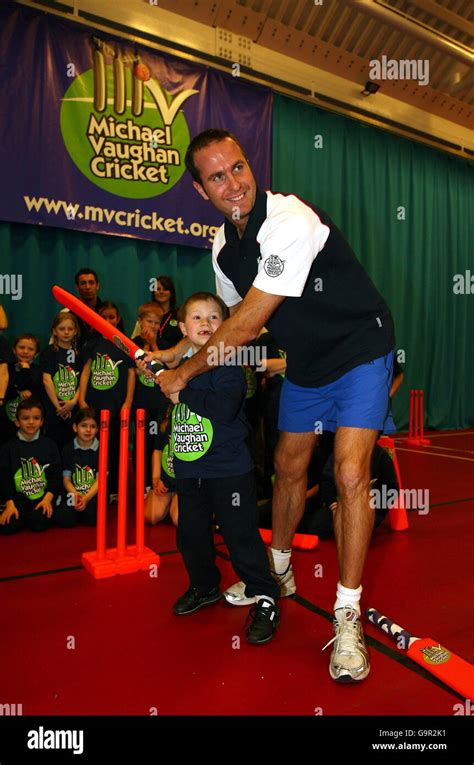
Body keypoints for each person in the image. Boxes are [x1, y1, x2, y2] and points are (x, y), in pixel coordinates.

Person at [147, 129, 395, 681]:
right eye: (217, 177)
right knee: (286, 466)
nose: (233, 183)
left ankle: (347, 613)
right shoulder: (220, 247)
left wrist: (185, 374)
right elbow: (223, 323)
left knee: (351, 473)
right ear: (199, 189)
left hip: (360, 349)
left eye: (237, 168)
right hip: (306, 364)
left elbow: (249, 322)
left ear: (248, 164)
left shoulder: (288, 219)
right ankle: (278, 571)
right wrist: (169, 353)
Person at [163, 291, 280, 644]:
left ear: (225, 327)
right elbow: (178, 418)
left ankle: (265, 596)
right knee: (191, 536)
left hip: (229, 471)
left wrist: (181, 391)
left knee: (240, 536)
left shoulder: (227, 364)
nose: (206, 324)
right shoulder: (179, 366)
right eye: (197, 318)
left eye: (214, 318)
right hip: (190, 471)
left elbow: (225, 407)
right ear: (184, 327)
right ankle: (204, 585)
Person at [78, 302, 135, 499]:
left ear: (118, 319)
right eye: (104, 317)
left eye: (112, 317)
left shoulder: (124, 343)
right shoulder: (91, 344)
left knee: (116, 449)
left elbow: (130, 374)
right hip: (94, 406)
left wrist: (127, 402)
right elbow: (85, 373)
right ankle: (98, 489)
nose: (108, 321)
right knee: (98, 449)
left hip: (117, 407)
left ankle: (117, 489)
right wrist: (82, 400)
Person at [0, 398, 61, 534]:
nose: (31, 422)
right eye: (26, 418)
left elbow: (56, 475)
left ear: (41, 421)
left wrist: (47, 499)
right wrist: (9, 503)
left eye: (36, 418)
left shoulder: (50, 445)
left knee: (39, 523)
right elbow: (4, 478)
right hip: (17, 498)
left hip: (41, 496)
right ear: (17, 422)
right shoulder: (8, 448)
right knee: (8, 526)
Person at [40, 312, 82, 451]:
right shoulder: (48, 352)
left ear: (75, 331)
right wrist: (58, 407)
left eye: (70, 329)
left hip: (73, 408)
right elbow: (47, 380)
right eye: (62, 329)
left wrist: (73, 401)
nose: (66, 332)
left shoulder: (79, 353)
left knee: (72, 446)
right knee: (53, 445)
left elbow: (83, 379)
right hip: (54, 409)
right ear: (54, 331)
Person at [55, 407, 100, 527]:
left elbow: (100, 480)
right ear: (75, 427)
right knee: (64, 519)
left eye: (93, 426)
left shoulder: (102, 449)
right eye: (84, 425)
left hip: (92, 493)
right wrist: (75, 494)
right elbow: (66, 479)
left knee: (94, 518)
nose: (88, 430)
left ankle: (85, 509)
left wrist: (86, 498)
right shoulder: (68, 449)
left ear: (97, 429)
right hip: (73, 491)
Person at [144, 405, 178, 527]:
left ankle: (177, 501)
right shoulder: (165, 414)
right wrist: (156, 479)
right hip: (166, 479)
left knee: (178, 520)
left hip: (185, 482)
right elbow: (157, 450)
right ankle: (169, 501)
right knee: (149, 517)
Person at [3, 334, 43, 438]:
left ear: (36, 354)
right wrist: (19, 392)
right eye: (21, 347)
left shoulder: (38, 370)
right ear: (14, 350)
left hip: (30, 419)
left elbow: (34, 388)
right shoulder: (7, 368)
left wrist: (25, 370)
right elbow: (10, 387)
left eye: (30, 349)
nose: (25, 351)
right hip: (8, 416)